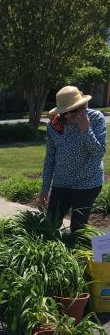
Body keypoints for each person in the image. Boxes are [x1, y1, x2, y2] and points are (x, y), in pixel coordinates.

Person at [39, 86, 106, 232]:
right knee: (51, 223)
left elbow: (99, 152)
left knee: (78, 227)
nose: (70, 115)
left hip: (87, 182)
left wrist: (86, 129)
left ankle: (78, 253)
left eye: (74, 110)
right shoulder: (54, 125)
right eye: (66, 111)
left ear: (82, 106)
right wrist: (45, 187)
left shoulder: (95, 118)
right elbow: (50, 157)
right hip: (62, 181)